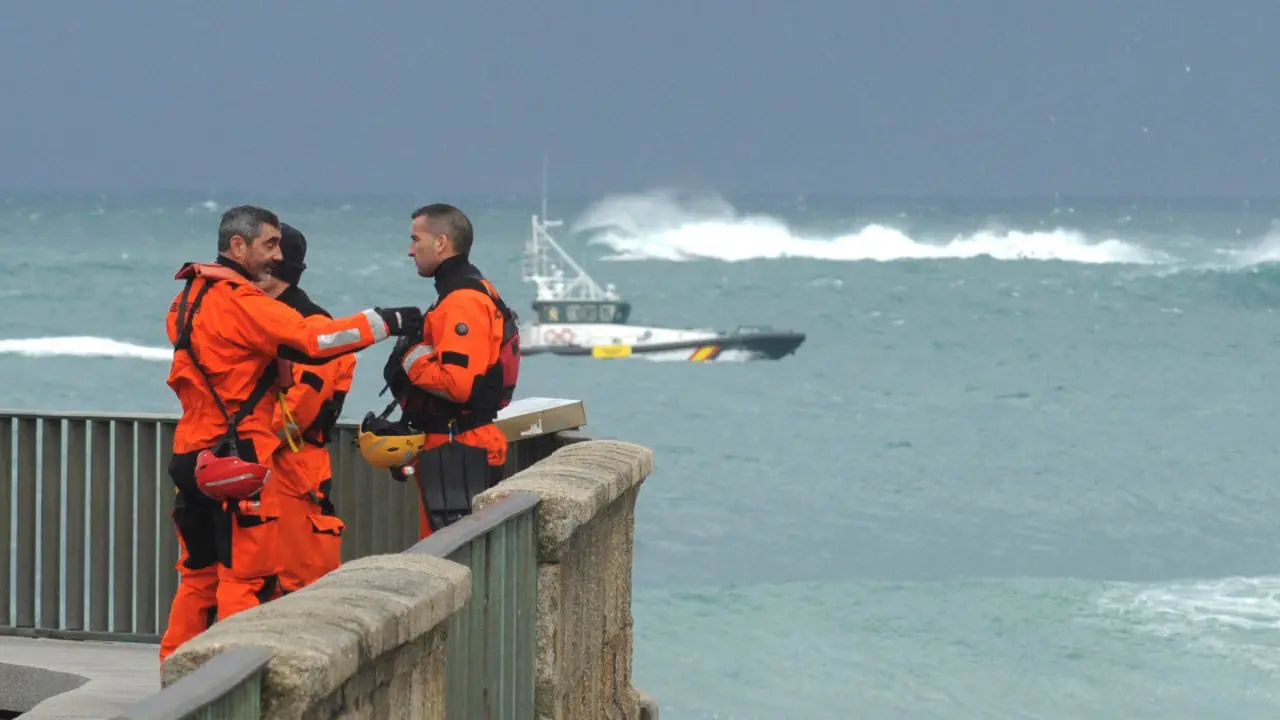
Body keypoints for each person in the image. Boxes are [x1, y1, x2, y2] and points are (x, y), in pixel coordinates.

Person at [159, 205, 421, 665]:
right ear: (237, 246)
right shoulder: (242, 302)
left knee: (198, 576)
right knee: (247, 580)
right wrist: (386, 321)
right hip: (237, 461)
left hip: (191, 454)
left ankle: (174, 676)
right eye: (269, 244)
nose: (277, 256)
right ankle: (232, 682)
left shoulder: (189, 297)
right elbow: (314, 342)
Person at [358, 203, 521, 539]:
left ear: (442, 243)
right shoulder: (470, 290)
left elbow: (457, 385)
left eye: (416, 239)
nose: (409, 250)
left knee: (452, 553)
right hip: (454, 443)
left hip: (460, 448)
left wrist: (412, 355)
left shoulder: (462, 300)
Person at [255, 222, 354, 595]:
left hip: (293, 471)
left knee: (296, 581)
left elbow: (298, 414)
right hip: (265, 466)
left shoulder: (314, 327)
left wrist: (248, 446)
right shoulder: (266, 321)